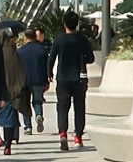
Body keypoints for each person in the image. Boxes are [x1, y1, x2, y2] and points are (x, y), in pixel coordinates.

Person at [0, 16, 29, 155]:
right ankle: (8, 145)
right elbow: (19, 71)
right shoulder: (11, 51)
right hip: (11, 91)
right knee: (9, 119)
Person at [49, 12, 95, 150]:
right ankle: (78, 137)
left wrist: (49, 73)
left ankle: (63, 133)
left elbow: (51, 58)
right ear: (77, 23)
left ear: (64, 24)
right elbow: (91, 58)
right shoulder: (82, 39)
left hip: (63, 78)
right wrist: (82, 59)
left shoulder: (59, 40)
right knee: (79, 107)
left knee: (62, 107)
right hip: (79, 78)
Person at [17, 28, 52, 135]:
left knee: (25, 103)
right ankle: (38, 114)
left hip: (24, 80)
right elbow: (46, 65)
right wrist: (48, 78)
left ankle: (28, 127)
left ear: (25, 37)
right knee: (37, 101)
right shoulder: (42, 49)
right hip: (39, 79)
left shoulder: (20, 51)